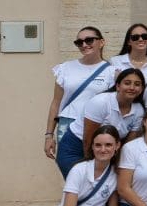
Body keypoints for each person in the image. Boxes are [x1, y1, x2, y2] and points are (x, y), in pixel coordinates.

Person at [56, 69, 145, 178]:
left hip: (106, 151)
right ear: (118, 86)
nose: (132, 87)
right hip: (76, 147)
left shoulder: (139, 111)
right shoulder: (101, 102)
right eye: (127, 83)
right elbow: (88, 140)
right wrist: (92, 167)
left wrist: (118, 166)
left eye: (137, 84)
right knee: (84, 183)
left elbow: (128, 146)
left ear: (141, 89)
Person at [45, 27, 115, 161]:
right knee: (70, 169)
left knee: (96, 168)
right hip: (68, 124)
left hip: (97, 125)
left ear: (101, 42)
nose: (84, 45)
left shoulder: (111, 72)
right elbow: (56, 103)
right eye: (79, 42)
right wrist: (49, 135)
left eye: (89, 40)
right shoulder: (65, 68)